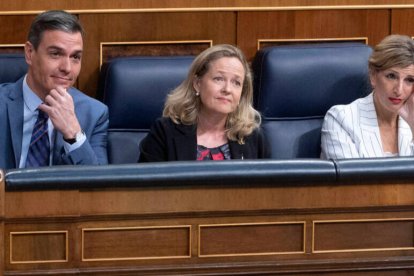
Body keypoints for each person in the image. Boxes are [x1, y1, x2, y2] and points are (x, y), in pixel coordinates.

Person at [0, 10, 108, 169]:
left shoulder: (94, 113)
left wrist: (73, 134)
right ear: (30, 53)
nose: (67, 68)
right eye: (56, 54)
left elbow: (100, 187)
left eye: (75, 57)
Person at [139, 44, 270, 162]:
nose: (227, 89)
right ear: (197, 84)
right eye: (219, 79)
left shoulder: (252, 137)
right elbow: (145, 186)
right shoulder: (165, 132)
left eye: (236, 83)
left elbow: (268, 187)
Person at [321, 34, 414, 159]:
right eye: (391, 76)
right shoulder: (341, 119)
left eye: (409, 80)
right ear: (373, 75)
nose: (399, 90)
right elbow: (352, 177)